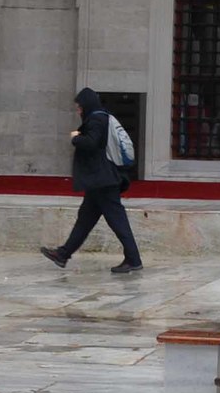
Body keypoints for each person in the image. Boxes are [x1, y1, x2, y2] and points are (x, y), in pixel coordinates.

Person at [40, 88, 144, 275]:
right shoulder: (102, 117)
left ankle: (134, 259)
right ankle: (63, 254)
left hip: (103, 179)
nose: (78, 111)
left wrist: (76, 138)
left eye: (79, 107)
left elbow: (91, 142)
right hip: (100, 180)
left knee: (117, 221)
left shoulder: (96, 119)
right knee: (85, 220)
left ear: (86, 105)